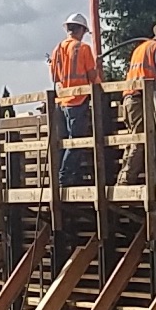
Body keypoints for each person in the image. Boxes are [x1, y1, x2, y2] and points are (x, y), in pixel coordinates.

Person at [121, 22, 156, 185]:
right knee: (141, 140)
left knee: (135, 138)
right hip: (142, 99)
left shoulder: (140, 48)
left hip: (129, 98)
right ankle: (126, 181)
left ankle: (125, 177)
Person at [50, 13, 104, 186]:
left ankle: (70, 177)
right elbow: (92, 76)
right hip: (78, 101)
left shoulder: (57, 49)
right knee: (76, 142)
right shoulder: (83, 48)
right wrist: (103, 91)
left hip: (62, 102)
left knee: (65, 143)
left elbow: (54, 78)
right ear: (80, 29)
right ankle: (64, 178)